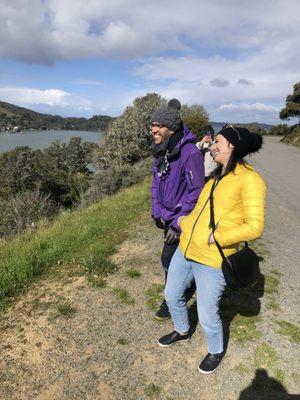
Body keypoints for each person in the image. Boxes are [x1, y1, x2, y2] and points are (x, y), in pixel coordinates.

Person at [157, 124, 266, 374]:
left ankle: (215, 349)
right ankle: (182, 330)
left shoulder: (251, 180)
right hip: (186, 248)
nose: (212, 146)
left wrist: (216, 236)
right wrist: (183, 221)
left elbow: (255, 227)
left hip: (213, 258)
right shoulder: (217, 175)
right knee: (172, 295)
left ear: (233, 147)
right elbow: (200, 209)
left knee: (207, 313)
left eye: (218, 142)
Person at [150, 99, 205, 320]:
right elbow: (155, 183)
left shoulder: (190, 153)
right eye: (152, 124)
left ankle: (173, 298)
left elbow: (197, 191)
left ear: (171, 129)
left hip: (181, 221)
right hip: (167, 217)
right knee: (174, 260)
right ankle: (181, 289)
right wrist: (156, 210)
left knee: (169, 260)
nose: (153, 129)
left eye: (159, 125)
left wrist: (177, 222)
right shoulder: (161, 151)